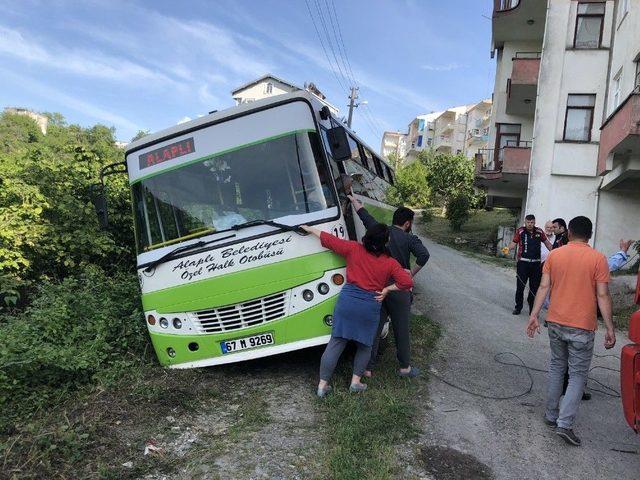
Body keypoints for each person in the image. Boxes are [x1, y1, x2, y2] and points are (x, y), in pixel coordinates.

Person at [526, 216, 616, 447]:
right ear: (590, 235)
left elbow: (544, 286)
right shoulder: (598, 259)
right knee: (576, 375)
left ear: (569, 232)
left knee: (557, 367)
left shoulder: (555, 255)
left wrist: (534, 315)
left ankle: (551, 415)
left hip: (555, 322)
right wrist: (610, 327)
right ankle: (564, 425)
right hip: (582, 327)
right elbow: (603, 295)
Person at [300, 223, 413, 397]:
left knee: (336, 342)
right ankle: (355, 382)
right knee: (365, 345)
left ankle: (322, 386)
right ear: (385, 242)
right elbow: (407, 282)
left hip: (347, 302)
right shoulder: (390, 262)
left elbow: (329, 240)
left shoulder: (354, 248)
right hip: (369, 306)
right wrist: (387, 289)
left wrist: (310, 229)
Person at [348, 195, 430, 378]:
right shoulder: (410, 239)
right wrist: (411, 272)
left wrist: (353, 200)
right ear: (408, 224)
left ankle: (368, 367)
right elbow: (424, 255)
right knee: (401, 328)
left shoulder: (381, 232)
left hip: (378, 287)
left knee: (375, 328)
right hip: (399, 289)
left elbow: (365, 216)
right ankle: (404, 368)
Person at [504, 214, 553, 315]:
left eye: (532, 222)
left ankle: (532, 310)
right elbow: (514, 243)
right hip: (523, 263)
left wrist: (556, 252)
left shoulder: (539, 231)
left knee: (534, 288)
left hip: (536, 265)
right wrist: (508, 248)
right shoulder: (520, 231)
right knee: (520, 287)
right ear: (525, 222)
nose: (530, 224)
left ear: (534, 222)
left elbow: (547, 244)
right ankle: (518, 307)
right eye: (528, 222)